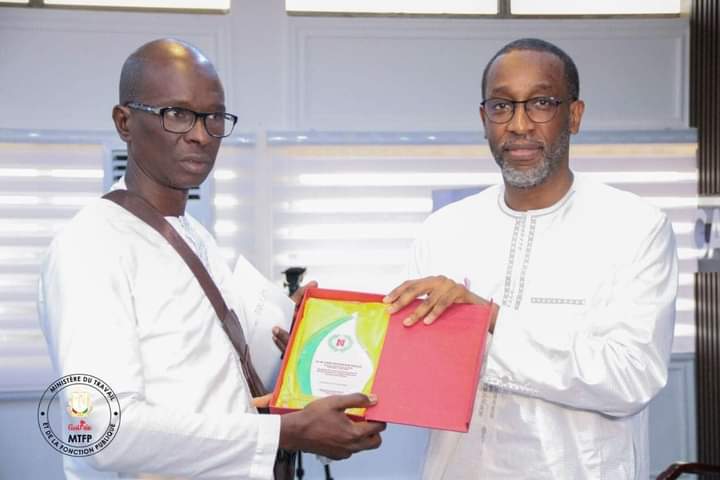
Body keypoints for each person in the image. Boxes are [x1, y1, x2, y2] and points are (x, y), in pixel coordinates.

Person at [38, 38, 384, 480]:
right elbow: (103, 429)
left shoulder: (196, 237)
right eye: (177, 114)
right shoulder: (91, 245)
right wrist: (285, 434)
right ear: (124, 122)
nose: (201, 134)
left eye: (213, 117)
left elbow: (214, 394)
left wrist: (300, 357)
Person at [384, 38, 677, 479]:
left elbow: (631, 377)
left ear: (573, 116)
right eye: (502, 107)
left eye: (541, 103)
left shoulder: (635, 227)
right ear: (485, 120)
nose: (519, 124)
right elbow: (416, 368)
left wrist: (488, 319)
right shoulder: (443, 230)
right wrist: (329, 348)